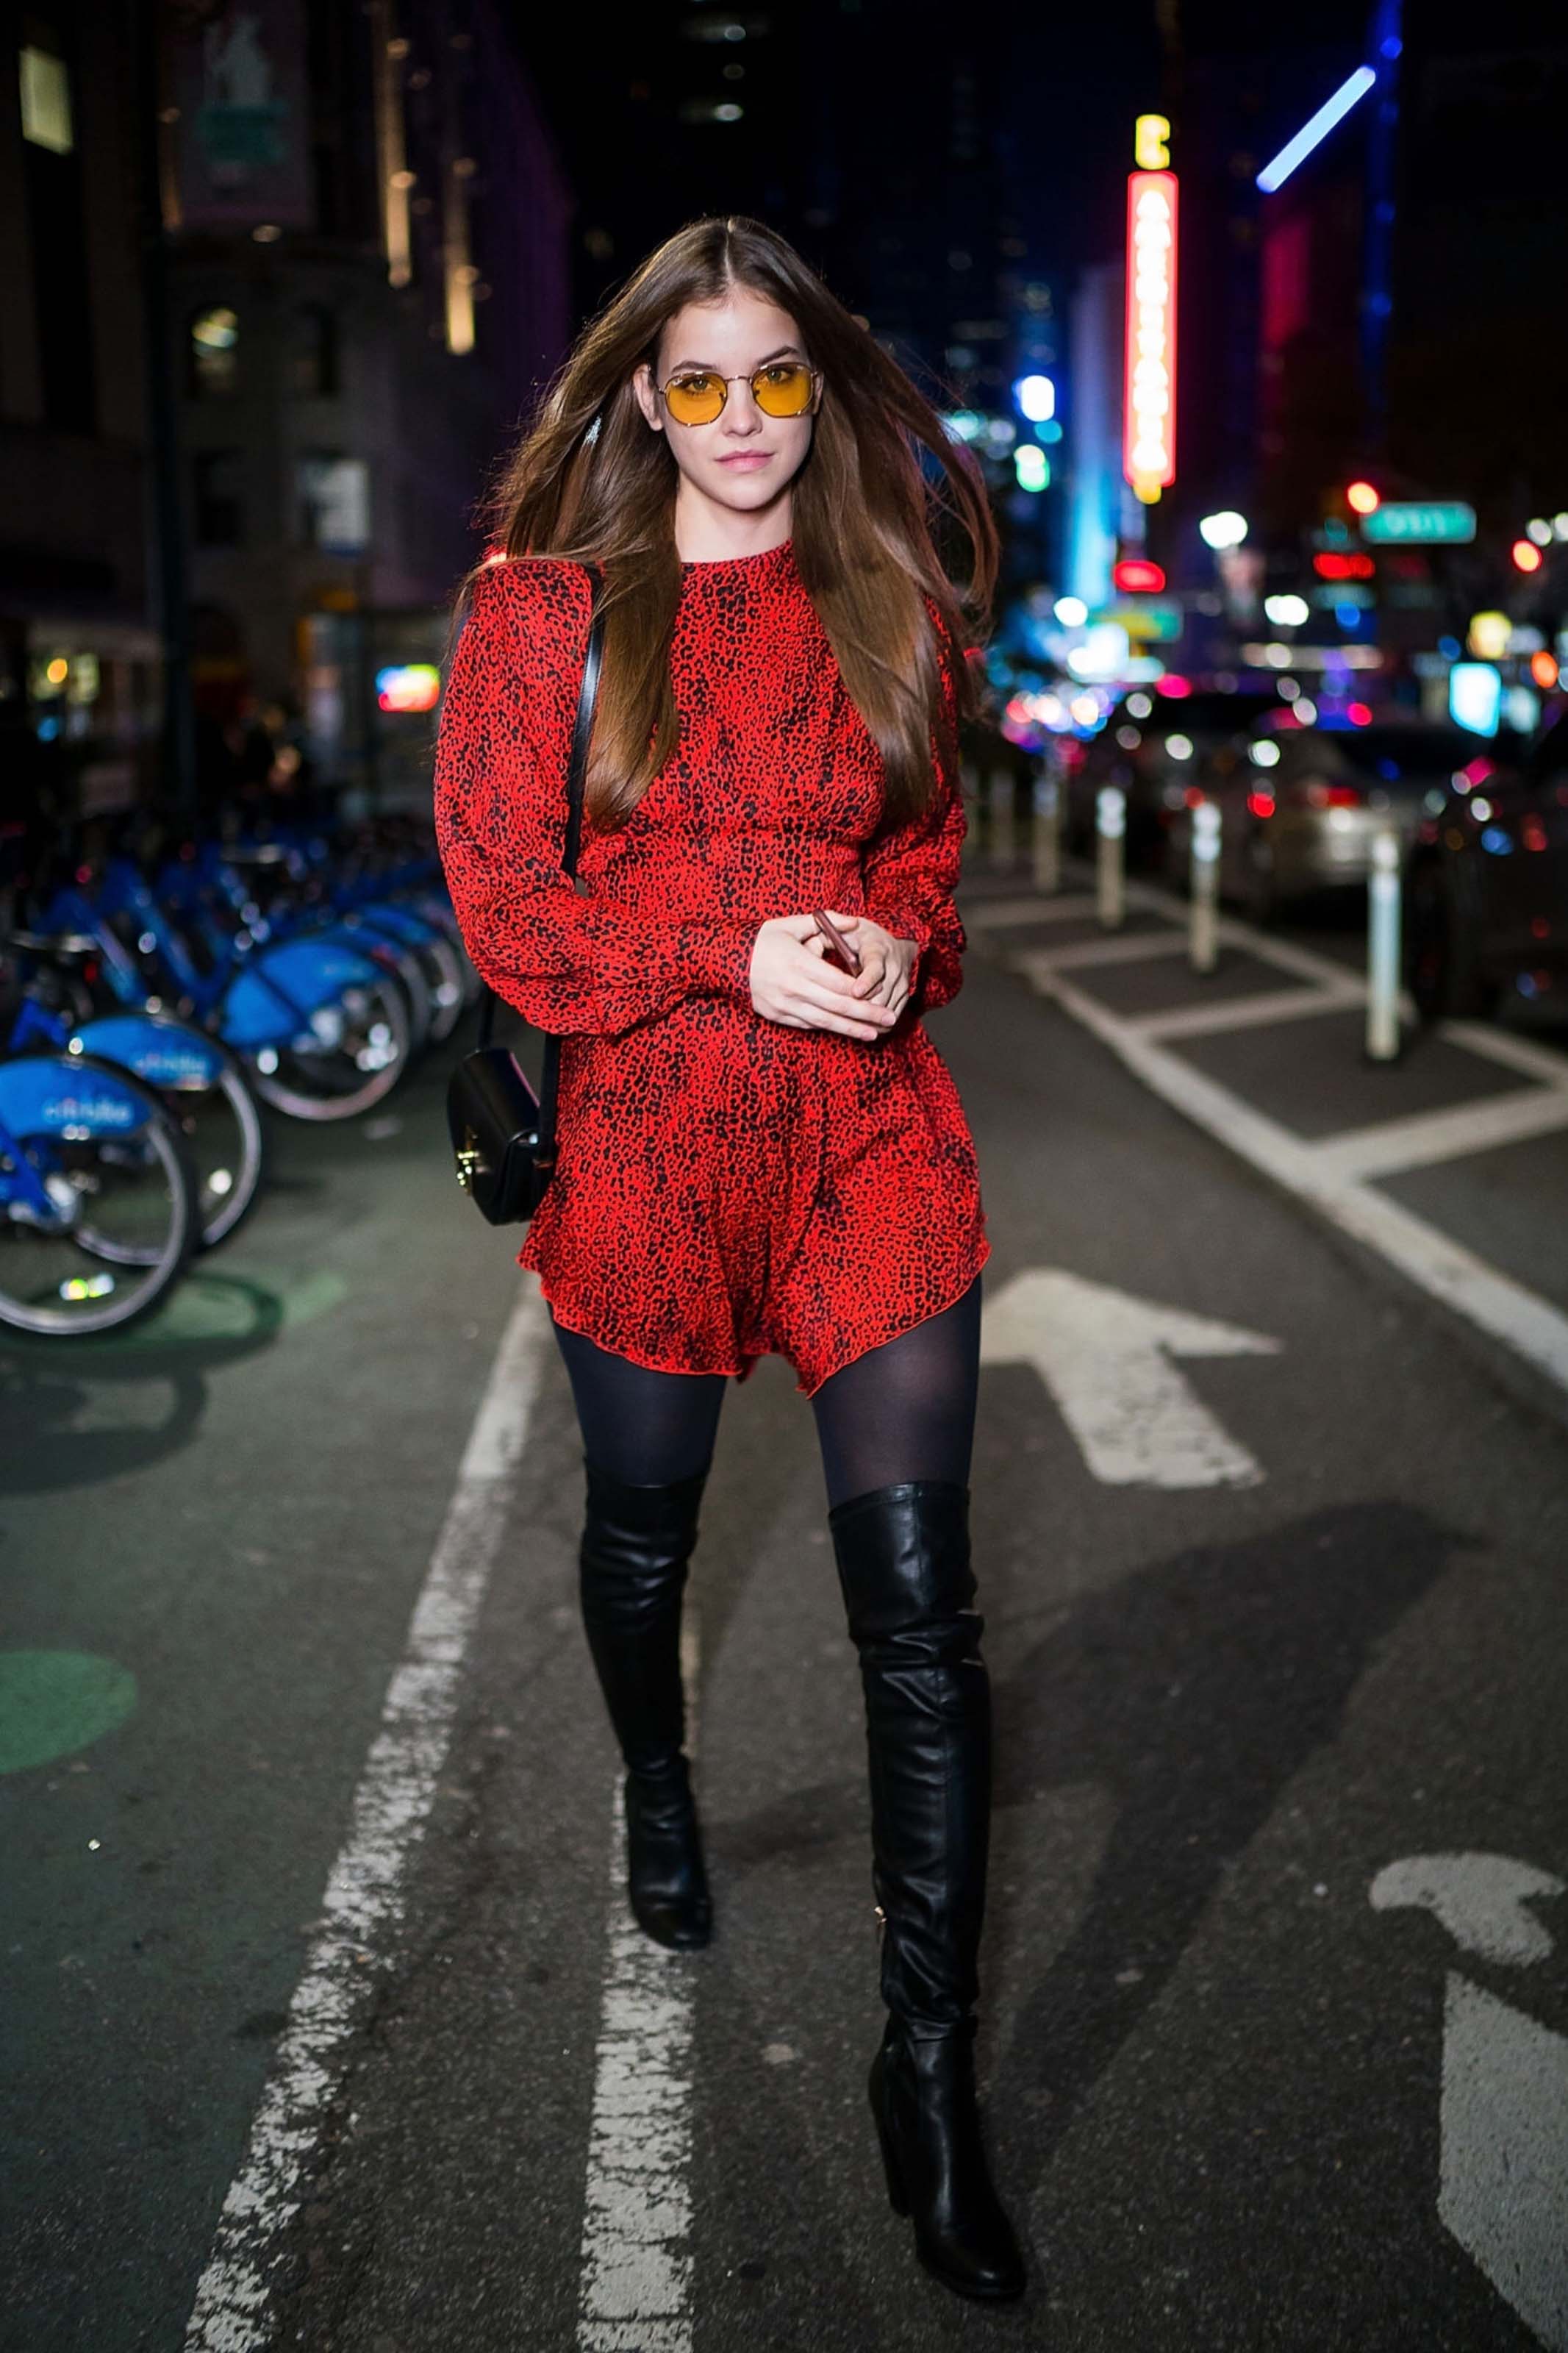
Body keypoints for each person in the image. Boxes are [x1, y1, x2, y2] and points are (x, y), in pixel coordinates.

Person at [433, 214, 1023, 2303]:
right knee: (642, 1547)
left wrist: (888, 946)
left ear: (820, 389)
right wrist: (728, 944)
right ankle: (659, 1790)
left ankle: (928, 2081)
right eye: (703, 381)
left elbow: (933, 875)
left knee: (923, 1618)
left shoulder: (897, 602)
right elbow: (513, 919)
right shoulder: (543, 620)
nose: (749, 420)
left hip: (872, 1149)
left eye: (783, 377)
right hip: (654, 1160)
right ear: (640, 399)